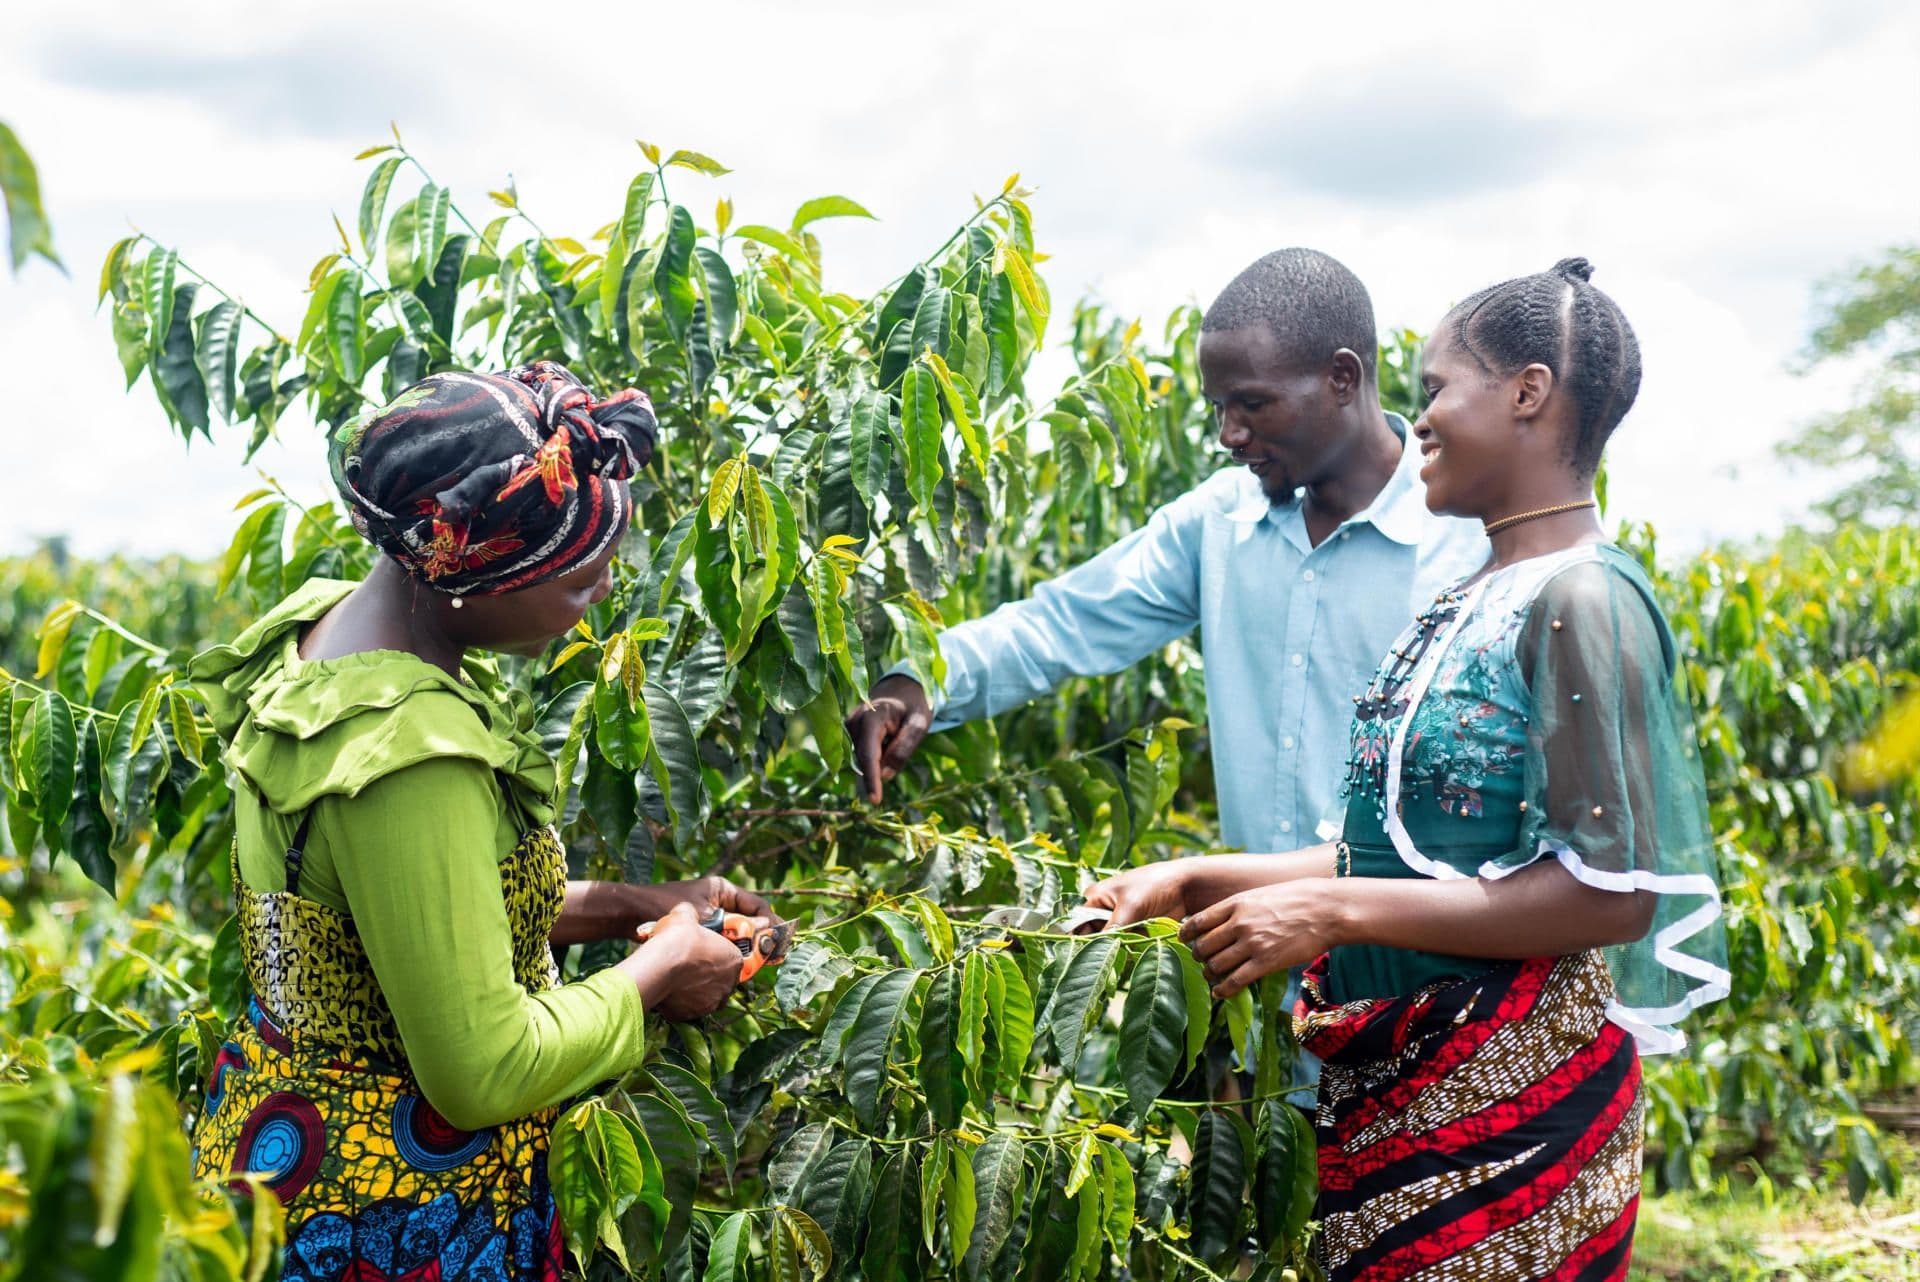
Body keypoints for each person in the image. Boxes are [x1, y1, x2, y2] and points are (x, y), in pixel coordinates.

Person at [1088, 259, 1730, 1280]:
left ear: (1528, 392)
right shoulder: (1472, 590)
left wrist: (1334, 915)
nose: (1418, 418)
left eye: (1436, 388)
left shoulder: (1582, 600)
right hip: (1393, 1085)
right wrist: (1197, 878)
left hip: (1508, 1116)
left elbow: (1612, 892)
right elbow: (1394, 847)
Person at [189, 362, 775, 1282]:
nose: (602, 601)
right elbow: (483, 1068)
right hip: (387, 1209)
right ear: (475, 576)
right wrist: (664, 966)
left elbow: (420, 918)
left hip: (283, 1137)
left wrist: (635, 903)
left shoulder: (332, 644)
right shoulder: (407, 758)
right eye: (582, 585)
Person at [847, 249, 1485, 1090]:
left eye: (1252, 404)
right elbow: (1064, 621)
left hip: (1435, 993)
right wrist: (922, 680)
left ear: (1342, 378)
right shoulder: (1220, 525)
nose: (1230, 435)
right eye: (1221, 407)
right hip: (1269, 984)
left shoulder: (1468, 542)